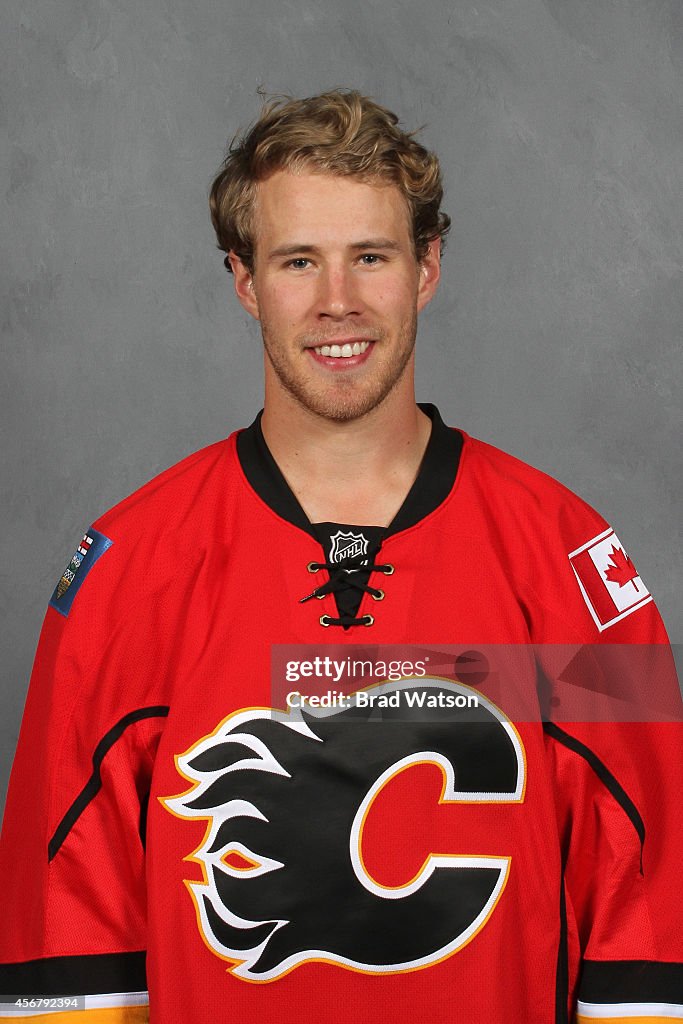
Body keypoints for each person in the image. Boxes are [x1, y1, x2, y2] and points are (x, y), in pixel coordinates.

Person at [0, 90, 680, 1023]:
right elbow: (65, 942)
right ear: (243, 280)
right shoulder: (130, 564)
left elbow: (649, 902)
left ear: (426, 267)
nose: (337, 302)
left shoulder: (565, 555)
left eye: (371, 256)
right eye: (297, 262)